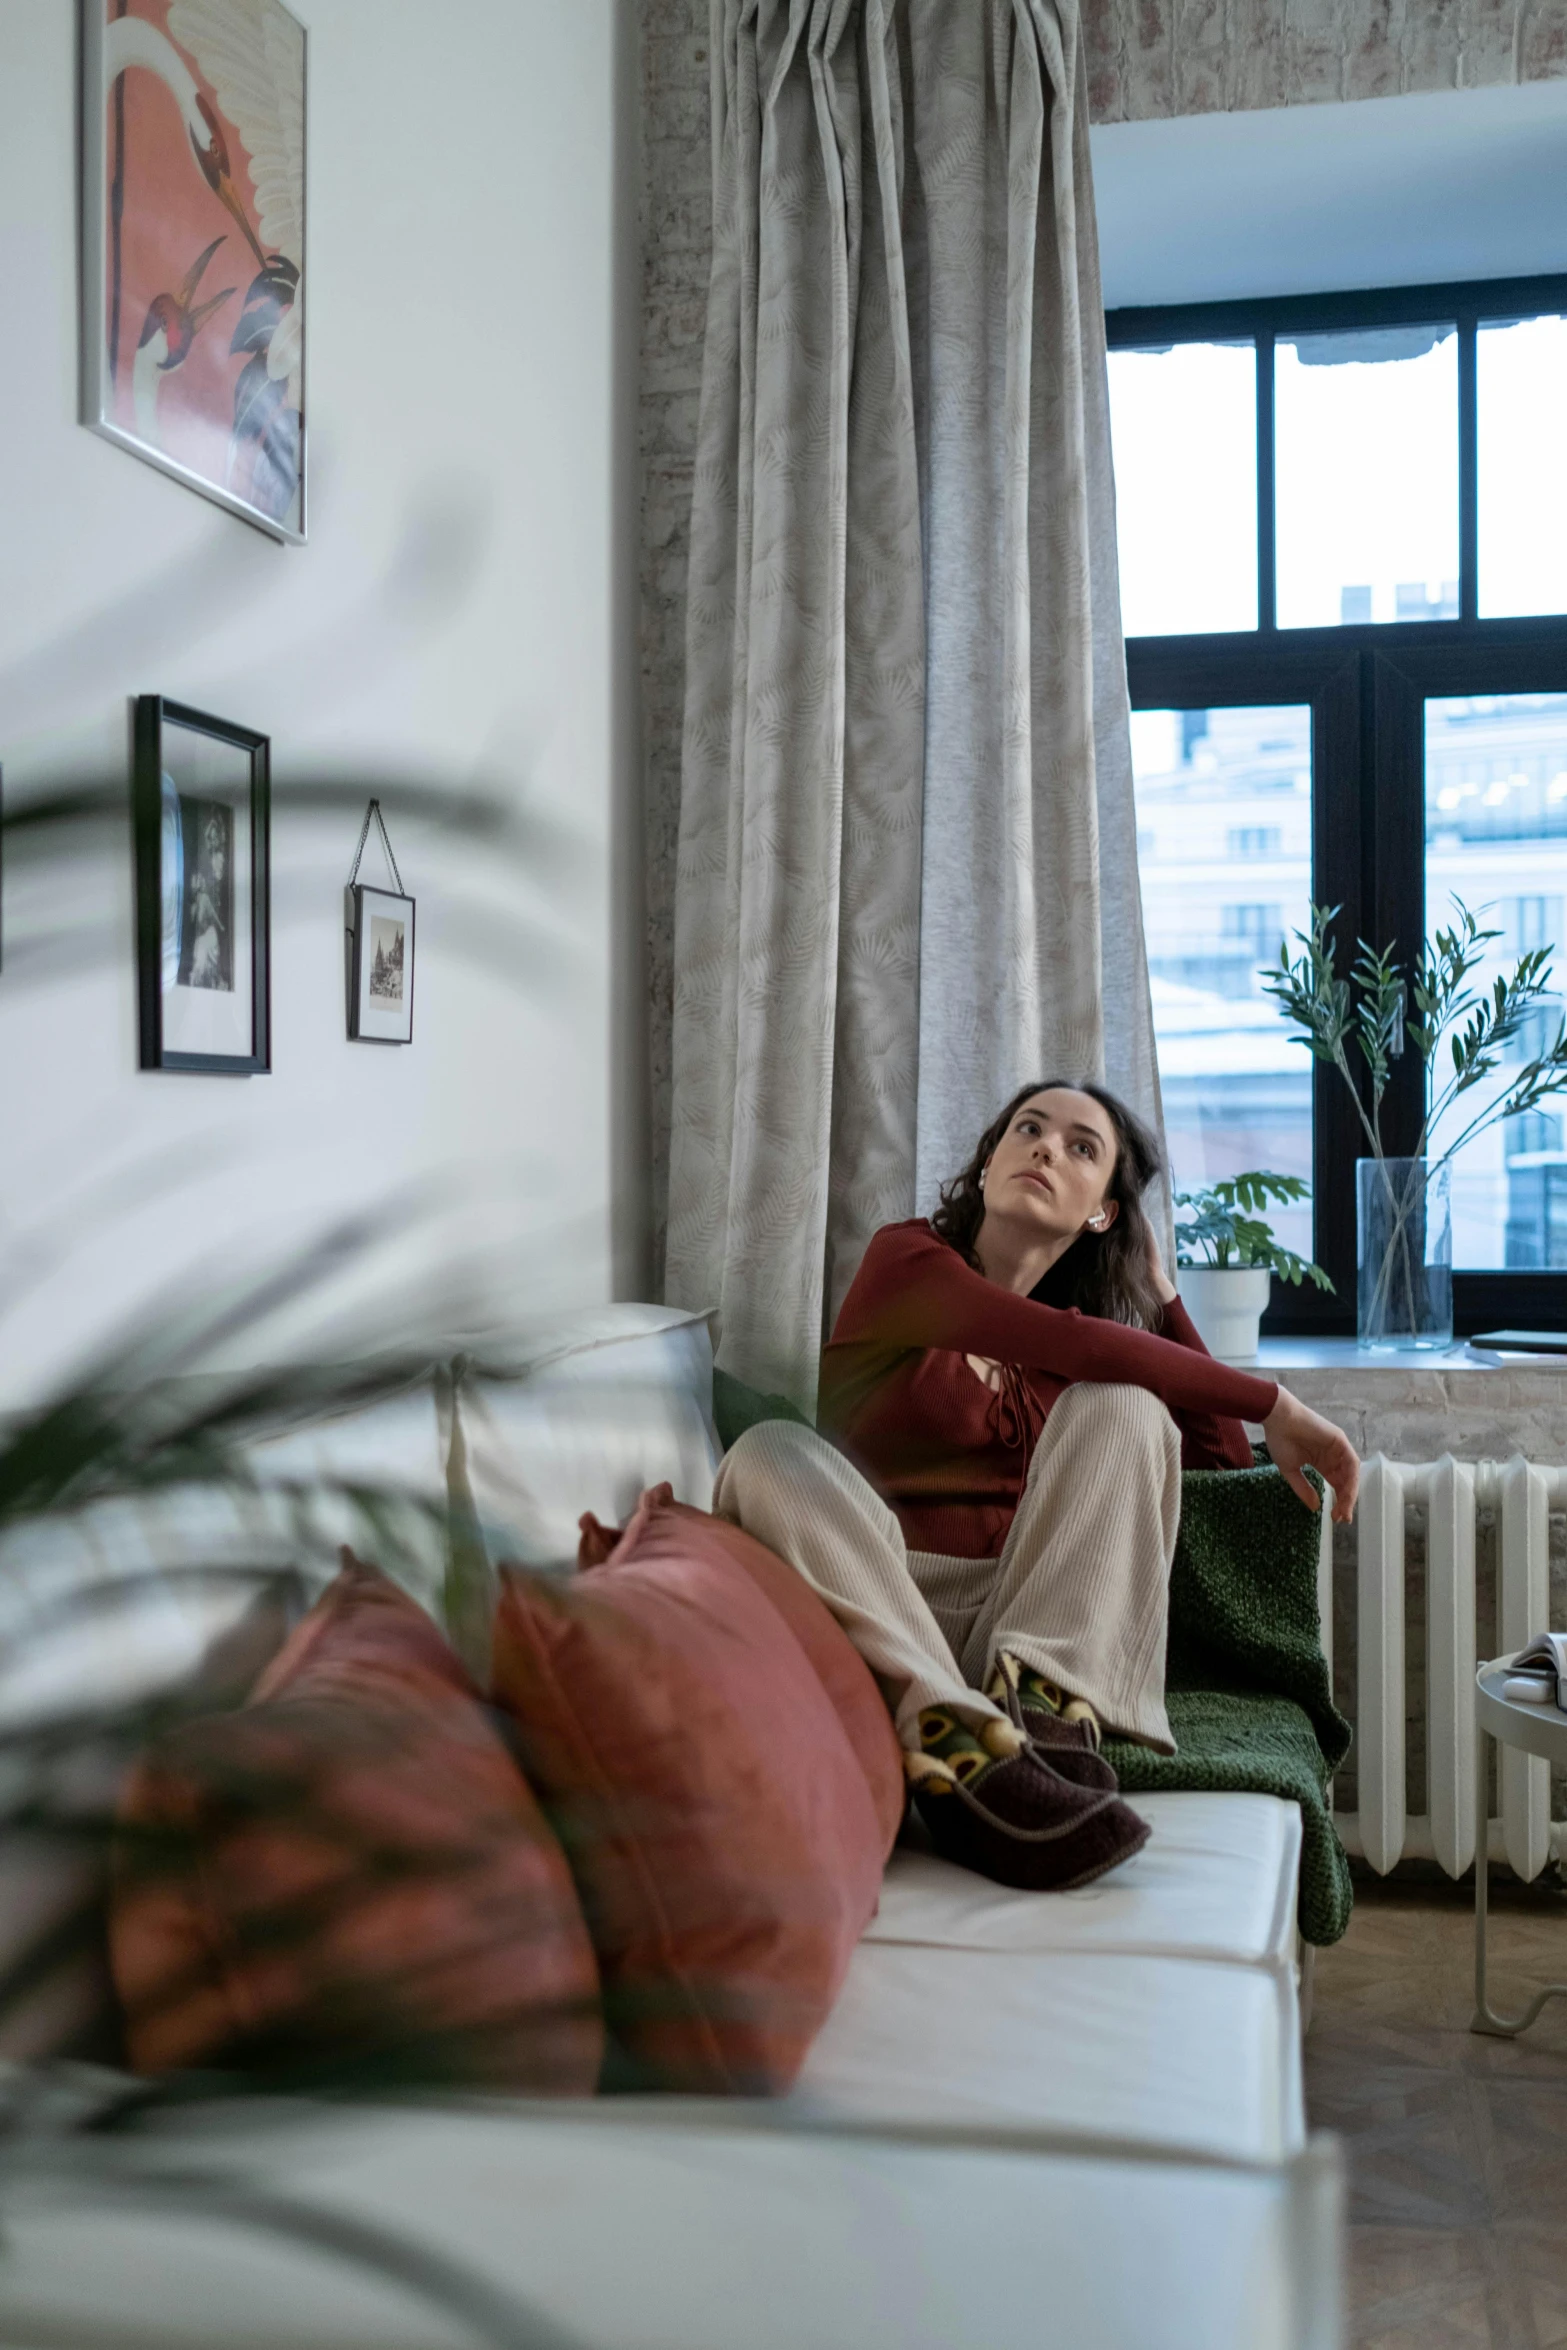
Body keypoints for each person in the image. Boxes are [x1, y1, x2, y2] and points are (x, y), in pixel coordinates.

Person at [714, 1079, 1360, 1893]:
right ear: (988, 1165)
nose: (1047, 1148)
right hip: (877, 1597)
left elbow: (1223, 1469)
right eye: (1028, 1129)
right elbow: (1078, 1341)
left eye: (1081, 1147)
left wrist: (1161, 1294)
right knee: (771, 1452)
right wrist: (1274, 1399)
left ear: (1102, 1214)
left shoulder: (1078, 1357)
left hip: (1014, 1630)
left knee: (1125, 1409)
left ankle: (1045, 1723)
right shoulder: (905, 1260)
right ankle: (953, 1739)